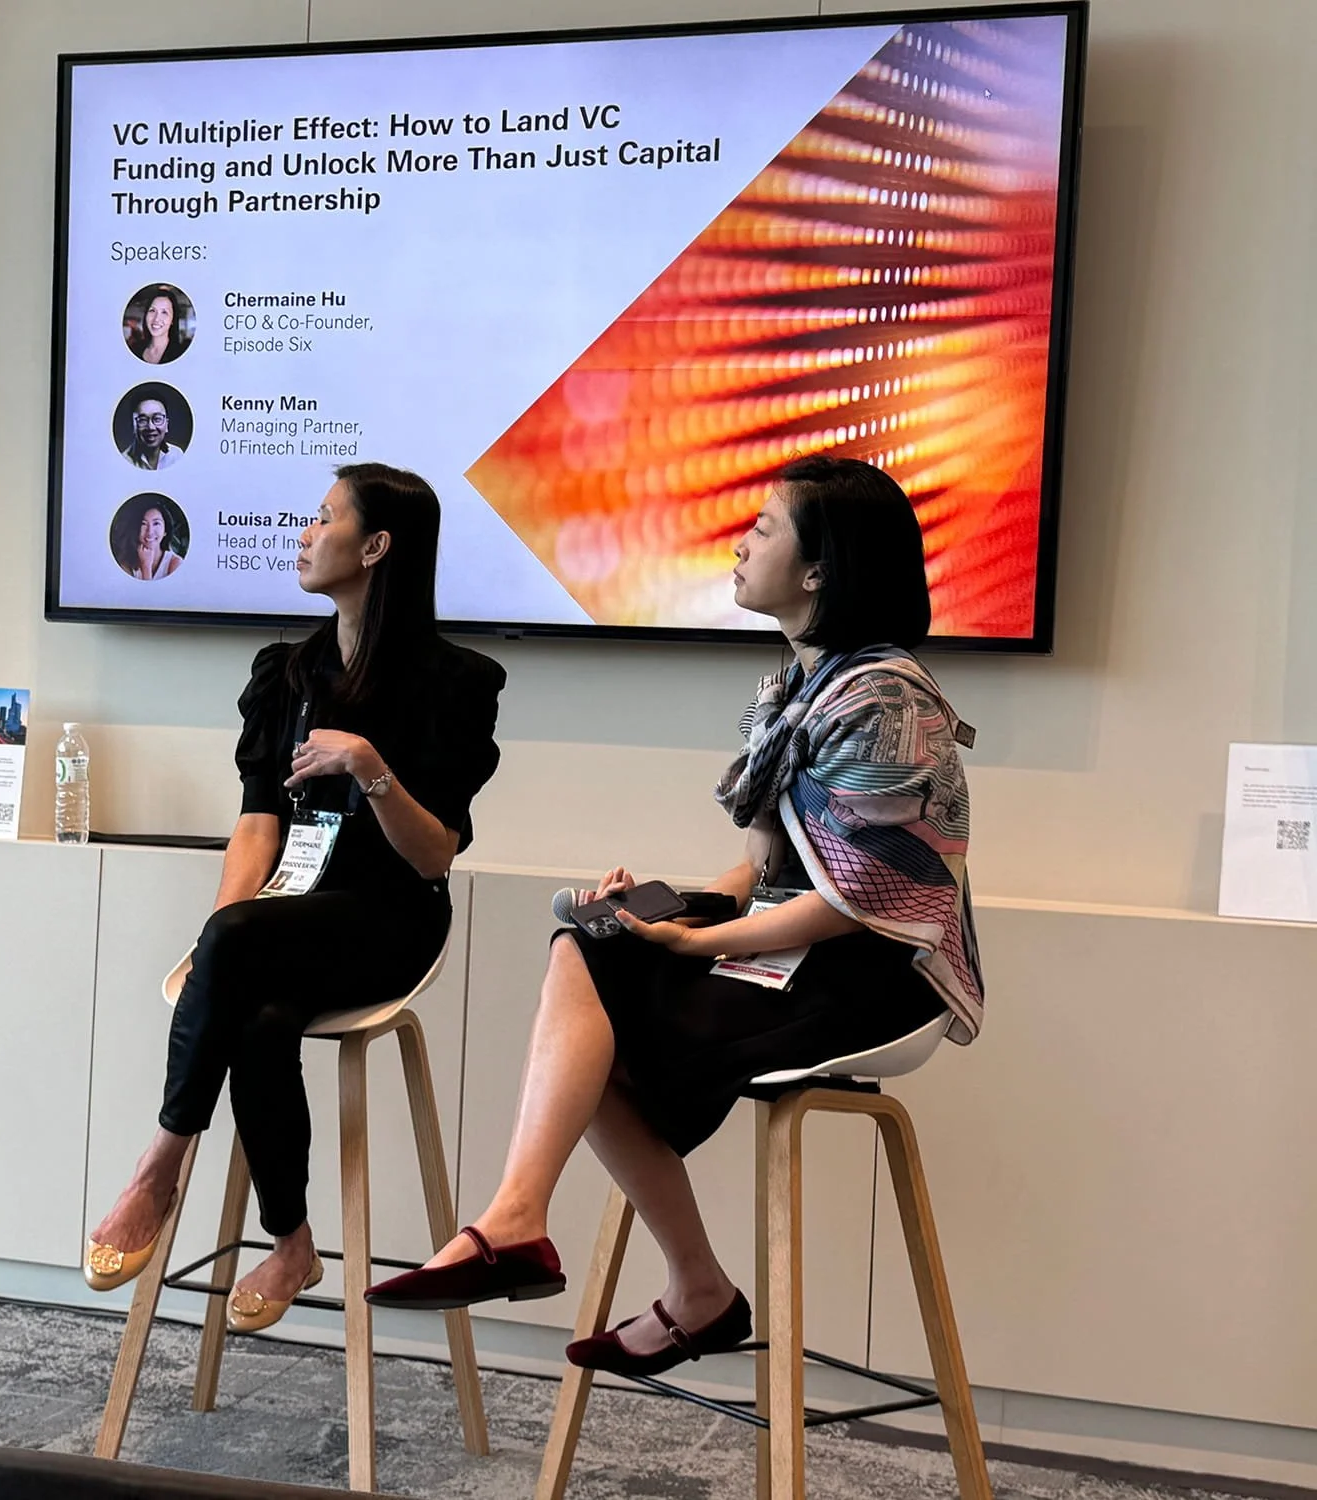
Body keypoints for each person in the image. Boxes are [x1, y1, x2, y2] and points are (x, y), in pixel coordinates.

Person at [364, 455, 981, 1382]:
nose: (740, 545)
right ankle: (556, 1233)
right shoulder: (802, 685)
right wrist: (664, 904)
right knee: (593, 943)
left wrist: (697, 937)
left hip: (877, 974)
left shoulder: (886, 699)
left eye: (763, 529)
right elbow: (769, 869)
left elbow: (861, 901)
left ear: (820, 570)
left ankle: (611, 1259)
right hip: (796, 942)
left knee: (607, 1026)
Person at [85, 462, 506, 1333]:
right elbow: (256, 828)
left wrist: (369, 767)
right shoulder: (286, 673)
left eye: (324, 518)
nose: (304, 534)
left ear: (376, 546)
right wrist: (219, 936)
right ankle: (292, 1242)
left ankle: (159, 1168)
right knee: (259, 1017)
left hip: (390, 918)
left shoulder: (458, 682)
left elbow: (434, 856)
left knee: (242, 952)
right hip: (282, 917)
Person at [118, 497, 183, 580]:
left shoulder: (175, 563)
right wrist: (145, 564)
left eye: (156, 523)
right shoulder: (127, 563)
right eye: (143, 524)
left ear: (165, 530)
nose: (150, 531)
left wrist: (146, 567)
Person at [126, 288, 188, 365]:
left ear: (173, 319)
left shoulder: (181, 355)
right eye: (152, 310)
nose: (156, 318)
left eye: (164, 312)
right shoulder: (134, 349)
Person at [124, 395, 185, 470]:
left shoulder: (176, 455)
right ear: (133, 426)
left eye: (157, 419)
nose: (151, 427)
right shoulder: (124, 461)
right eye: (142, 420)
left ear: (166, 425)